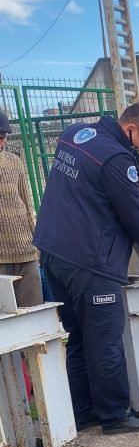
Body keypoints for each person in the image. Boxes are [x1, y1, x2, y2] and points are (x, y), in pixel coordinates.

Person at [33, 102, 139, 435]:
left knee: (79, 336)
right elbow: (134, 215)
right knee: (105, 339)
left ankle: (83, 411)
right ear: (131, 130)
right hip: (90, 263)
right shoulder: (118, 160)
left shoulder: (75, 134)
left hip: (53, 254)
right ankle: (115, 415)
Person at [0, 111, 43, 308]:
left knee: (35, 312)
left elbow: (26, 205)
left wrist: (37, 243)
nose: (2, 142)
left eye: (3, 137)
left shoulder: (14, 162)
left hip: (26, 252)